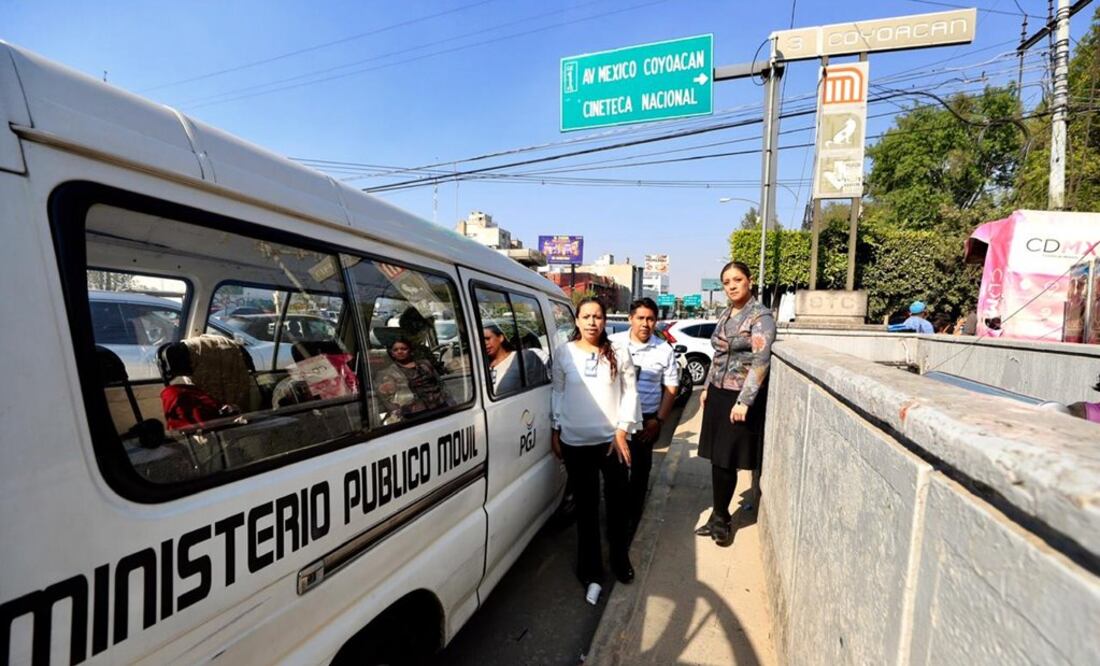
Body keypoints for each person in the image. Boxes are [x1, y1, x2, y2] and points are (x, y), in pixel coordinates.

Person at [551, 297, 641, 604]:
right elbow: (558, 392)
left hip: (611, 442)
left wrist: (622, 430)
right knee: (586, 509)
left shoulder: (618, 351)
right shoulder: (564, 353)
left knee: (618, 504)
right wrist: (555, 429)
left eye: (598, 316)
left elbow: (630, 392)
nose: (592, 322)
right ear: (576, 321)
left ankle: (619, 559)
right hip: (574, 442)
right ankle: (590, 571)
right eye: (586, 316)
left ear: (605, 321)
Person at [695, 261, 776, 547]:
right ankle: (717, 514)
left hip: (738, 397)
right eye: (727, 281)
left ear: (749, 281)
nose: (731, 286)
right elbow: (716, 354)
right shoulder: (726, 313)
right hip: (718, 392)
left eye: (737, 280)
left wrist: (745, 400)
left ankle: (723, 520)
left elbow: (760, 362)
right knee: (717, 458)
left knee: (727, 459)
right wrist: (705, 387)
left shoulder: (760, 317)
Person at [610, 297, 678, 536]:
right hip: (616, 421)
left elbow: (671, 388)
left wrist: (658, 420)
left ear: (656, 321)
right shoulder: (613, 343)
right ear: (630, 318)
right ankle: (614, 523)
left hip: (646, 421)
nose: (645, 324)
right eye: (640, 318)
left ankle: (633, 522)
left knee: (640, 474)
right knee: (615, 476)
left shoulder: (664, 349)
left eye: (650, 319)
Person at [377, 338, 449, 421]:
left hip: (440, 406)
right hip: (415, 413)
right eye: (395, 350)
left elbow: (440, 383)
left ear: (410, 350)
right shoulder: (389, 372)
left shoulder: (425, 364)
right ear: (392, 353)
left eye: (403, 349)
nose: (400, 351)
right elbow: (387, 398)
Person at [482, 324, 547, 394]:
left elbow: (541, 389)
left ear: (501, 338)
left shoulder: (524, 357)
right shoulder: (481, 366)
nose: (485, 343)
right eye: (481, 341)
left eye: (487, 339)